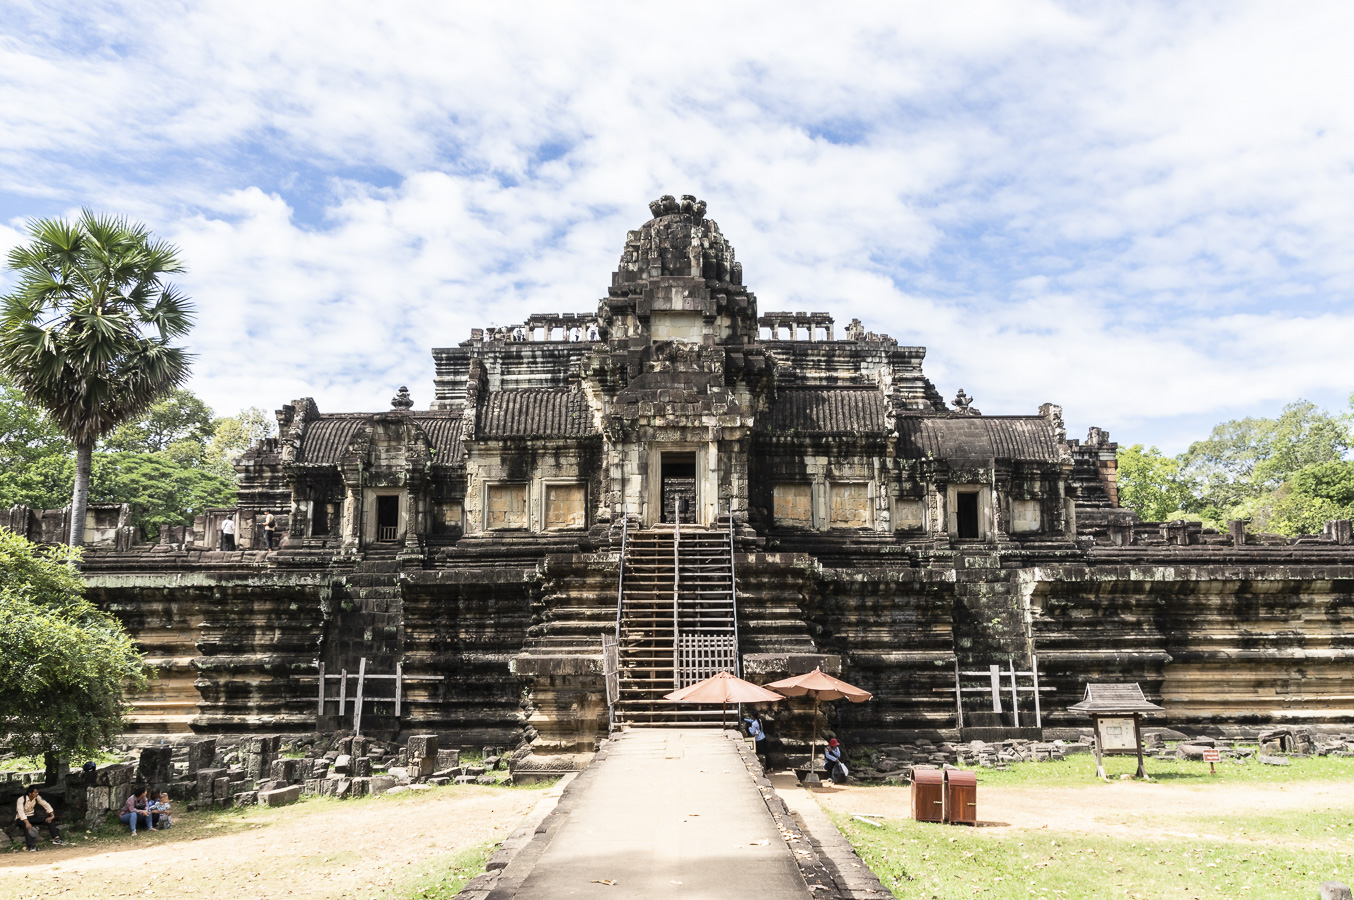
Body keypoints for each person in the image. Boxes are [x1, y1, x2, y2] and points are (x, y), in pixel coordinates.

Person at [15, 784, 66, 851]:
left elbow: (45, 804)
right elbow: (20, 812)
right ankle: (31, 845)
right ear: (30, 793)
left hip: (32, 817)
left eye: (37, 792)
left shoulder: (37, 797)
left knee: (48, 821)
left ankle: (56, 838)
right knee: (26, 827)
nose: (37, 793)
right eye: (35, 792)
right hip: (21, 819)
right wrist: (27, 822)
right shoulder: (21, 799)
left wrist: (52, 815)